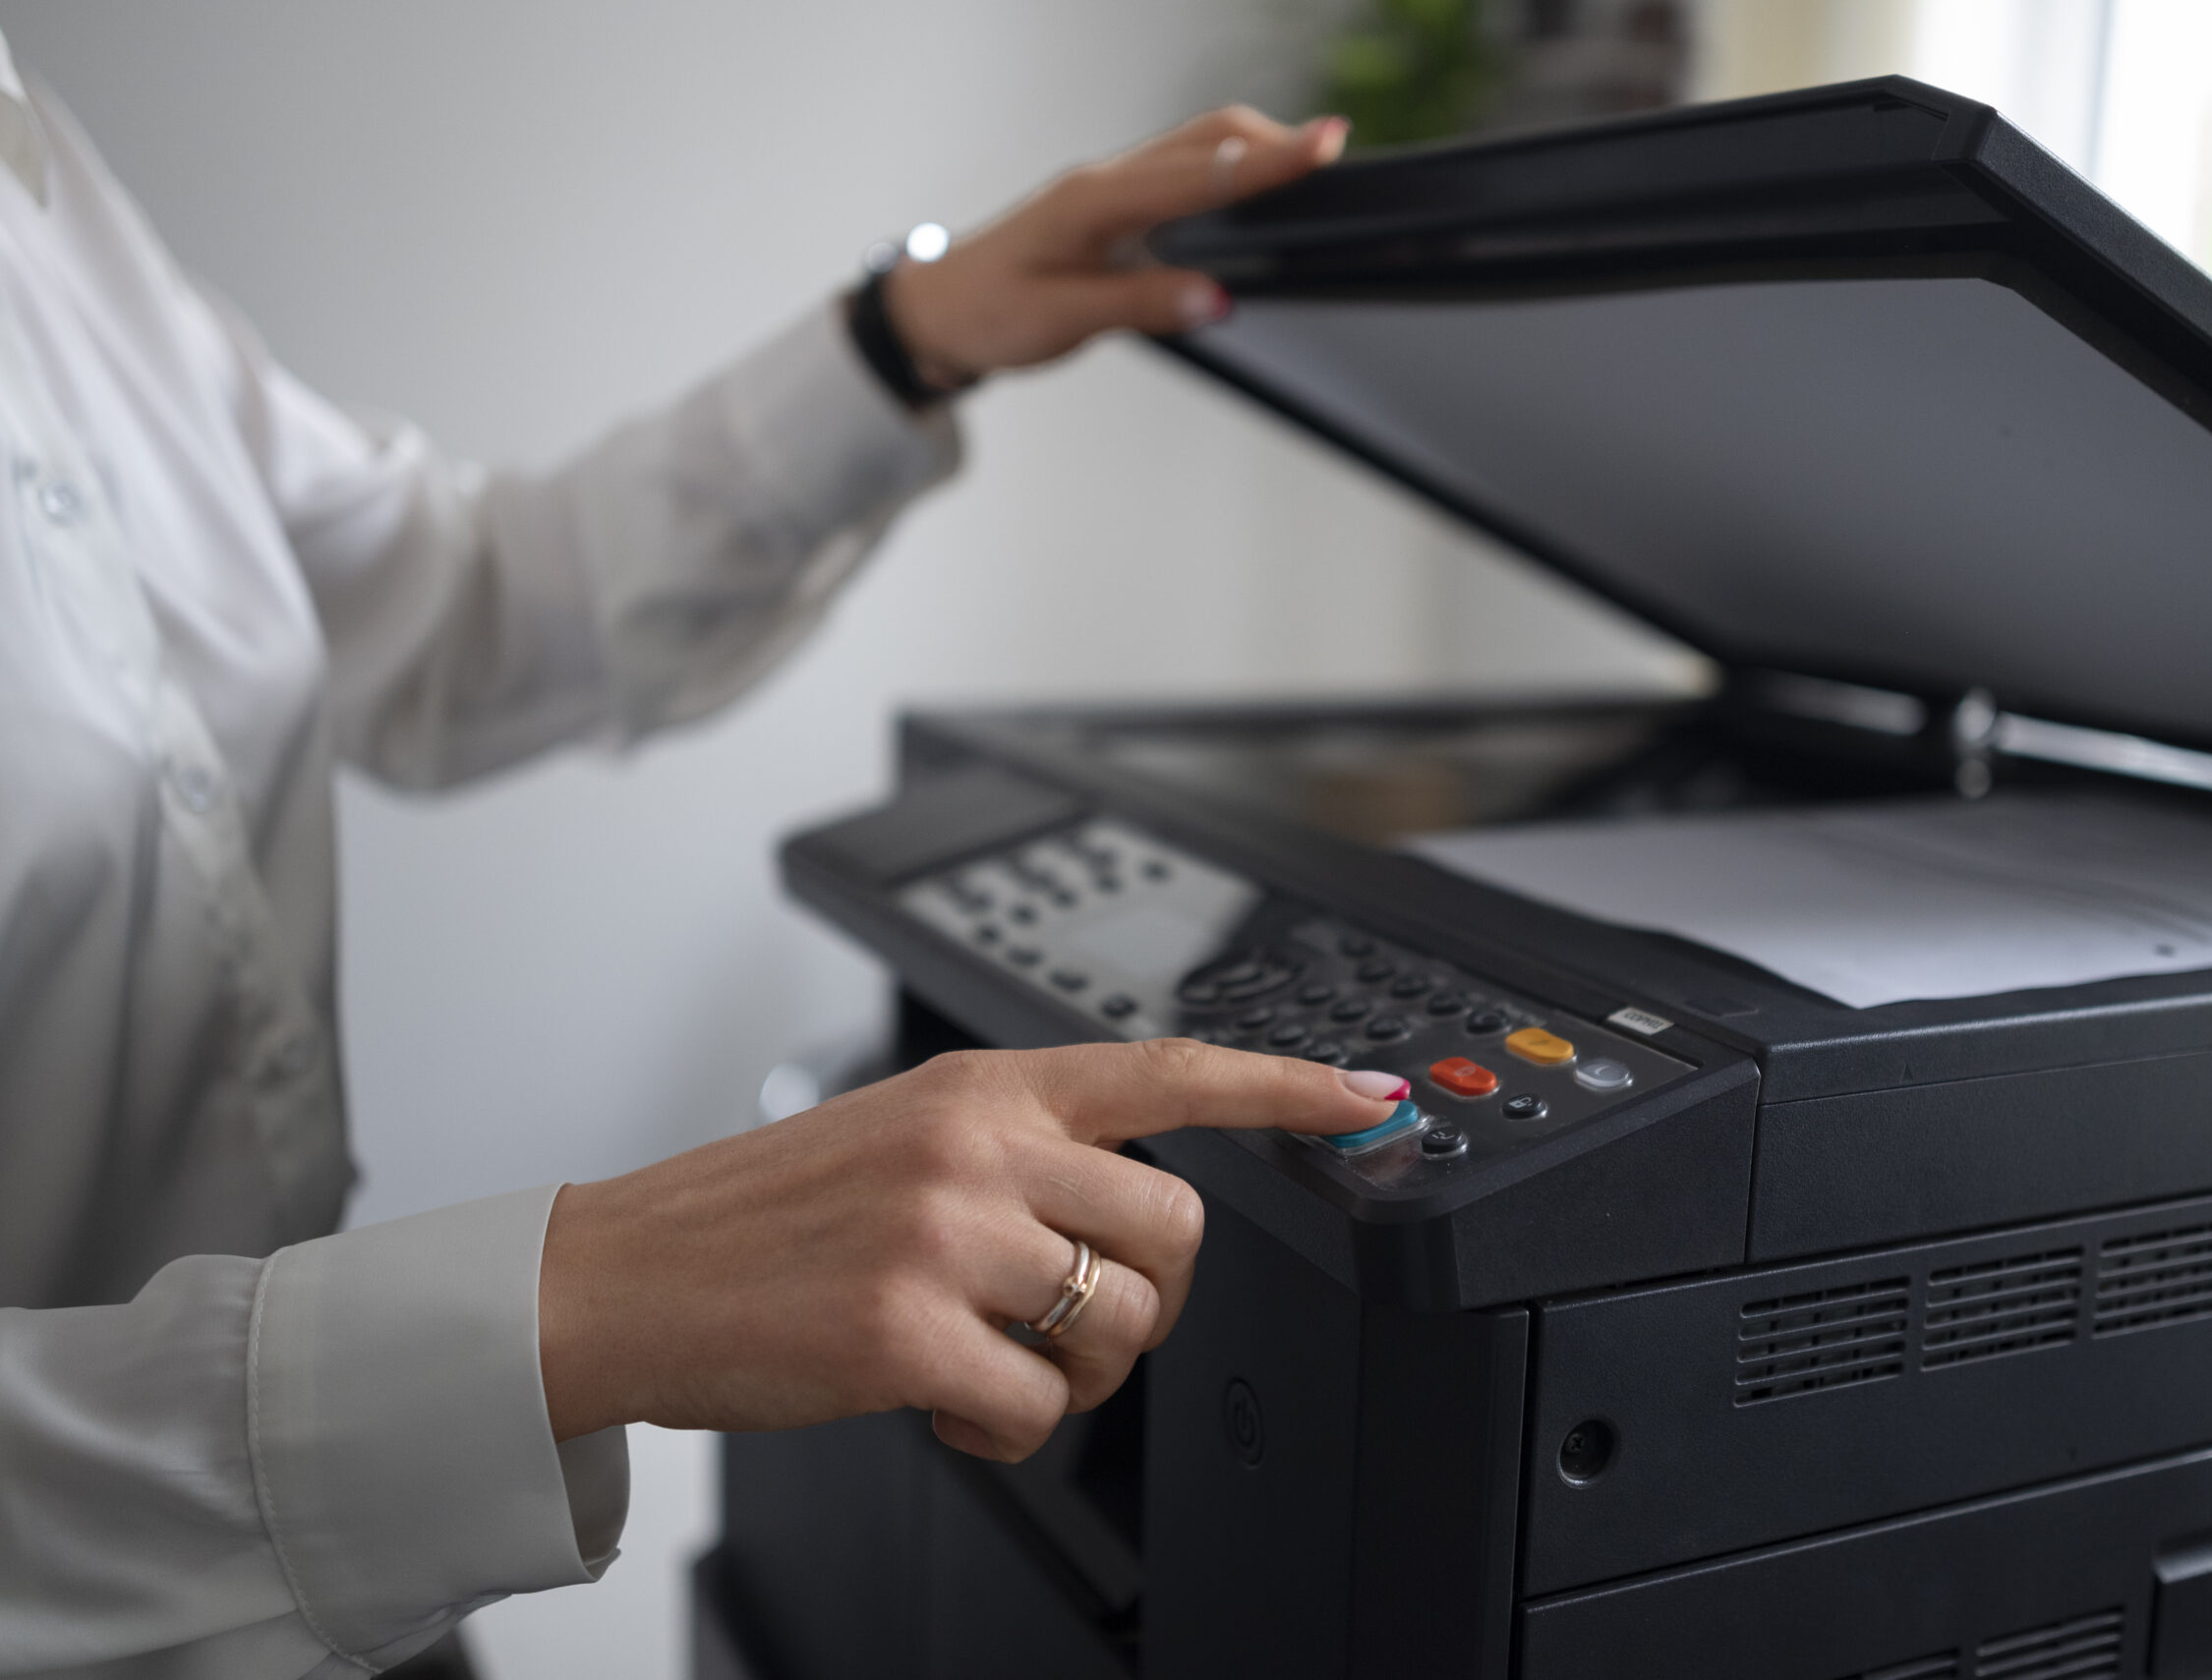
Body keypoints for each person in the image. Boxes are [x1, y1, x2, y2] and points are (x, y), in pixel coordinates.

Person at [0, 34, 1407, 1679]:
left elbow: (446, 601)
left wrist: (903, 337)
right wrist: (574, 1303)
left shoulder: (34, 161)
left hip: (351, 1602)